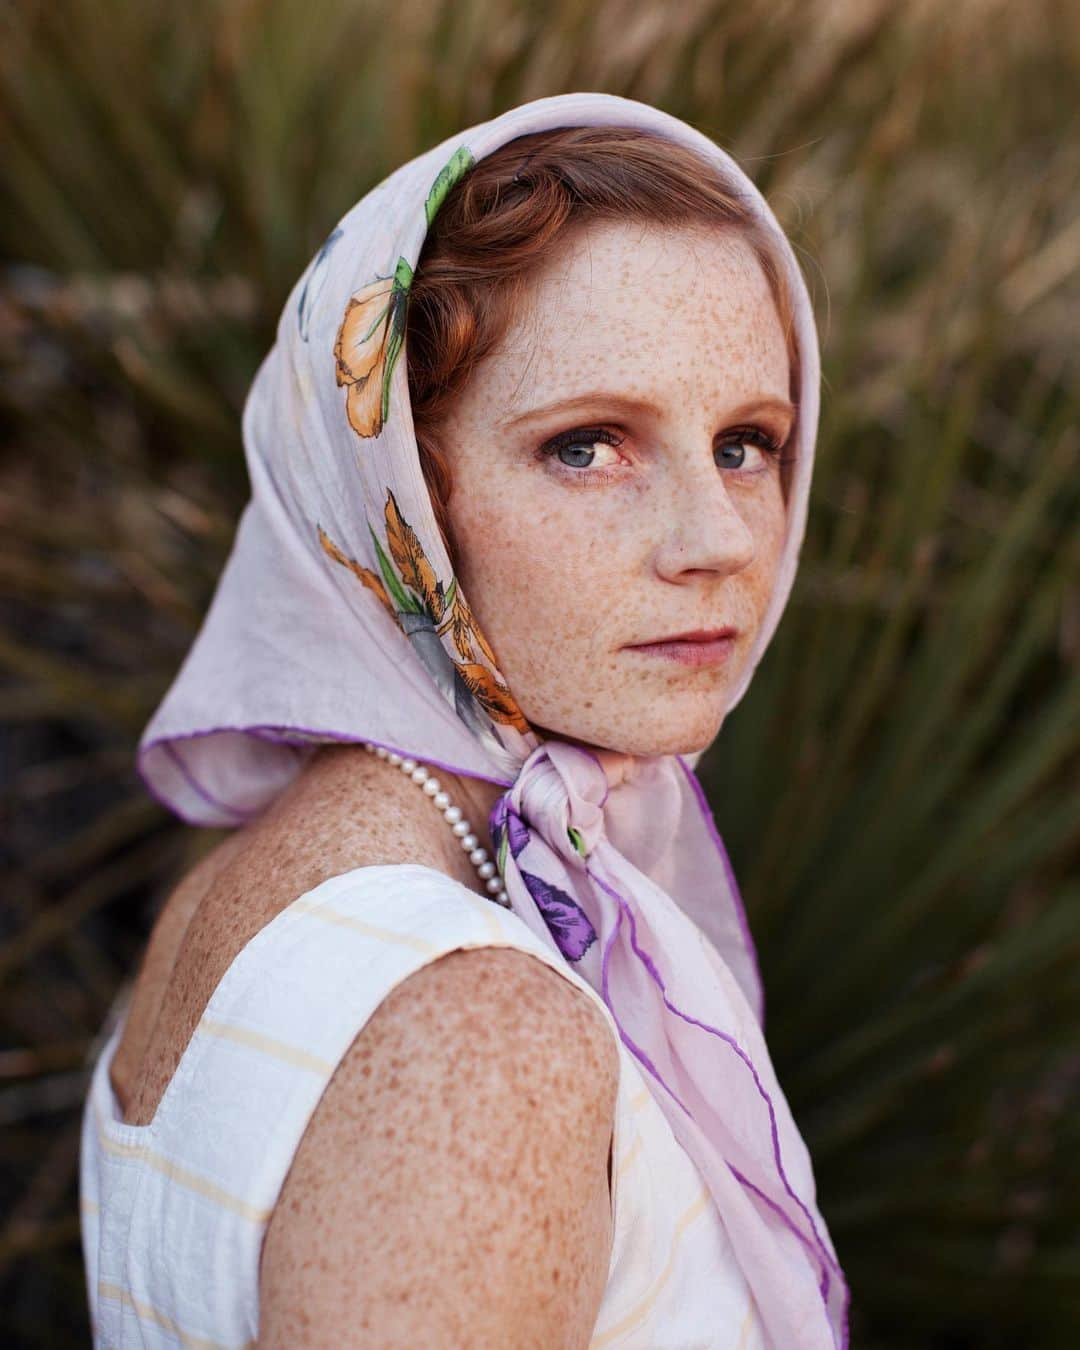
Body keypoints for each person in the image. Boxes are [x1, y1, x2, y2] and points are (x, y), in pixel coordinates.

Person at [78, 92, 849, 1348]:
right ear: (398, 494)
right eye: (589, 445)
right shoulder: (483, 1039)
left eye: (747, 443)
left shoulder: (242, 885)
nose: (718, 542)